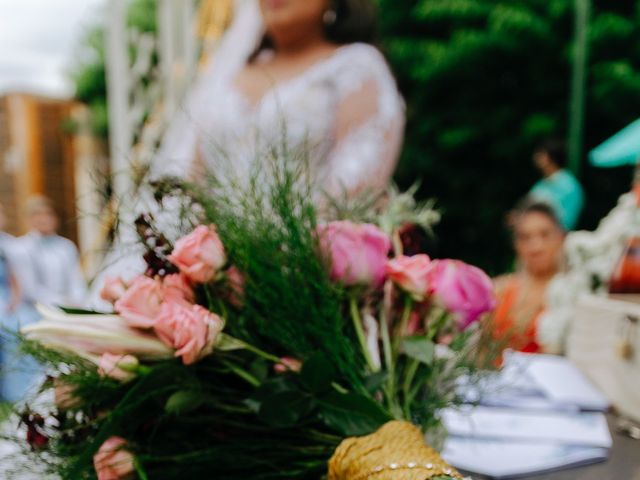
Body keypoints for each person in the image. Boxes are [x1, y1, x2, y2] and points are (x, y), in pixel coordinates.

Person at [156, 0, 405, 198]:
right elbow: (194, 180)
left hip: (311, 254)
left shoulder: (355, 67)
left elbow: (354, 193)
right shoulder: (229, 75)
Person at [492, 202, 566, 353]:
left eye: (545, 235)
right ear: (516, 245)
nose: (536, 247)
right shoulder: (500, 290)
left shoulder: (570, 294)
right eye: (525, 238)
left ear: (561, 238)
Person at [17, 196, 87, 307]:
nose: (44, 219)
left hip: (69, 307)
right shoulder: (21, 248)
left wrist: (77, 302)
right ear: (28, 219)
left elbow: (76, 280)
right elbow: (30, 287)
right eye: (38, 214)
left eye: (49, 214)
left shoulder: (67, 246)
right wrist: (60, 303)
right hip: (35, 308)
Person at [529, 139, 584, 231]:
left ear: (551, 157)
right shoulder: (539, 185)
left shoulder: (569, 185)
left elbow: (567, 220)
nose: (536, 157)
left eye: (541, 154)